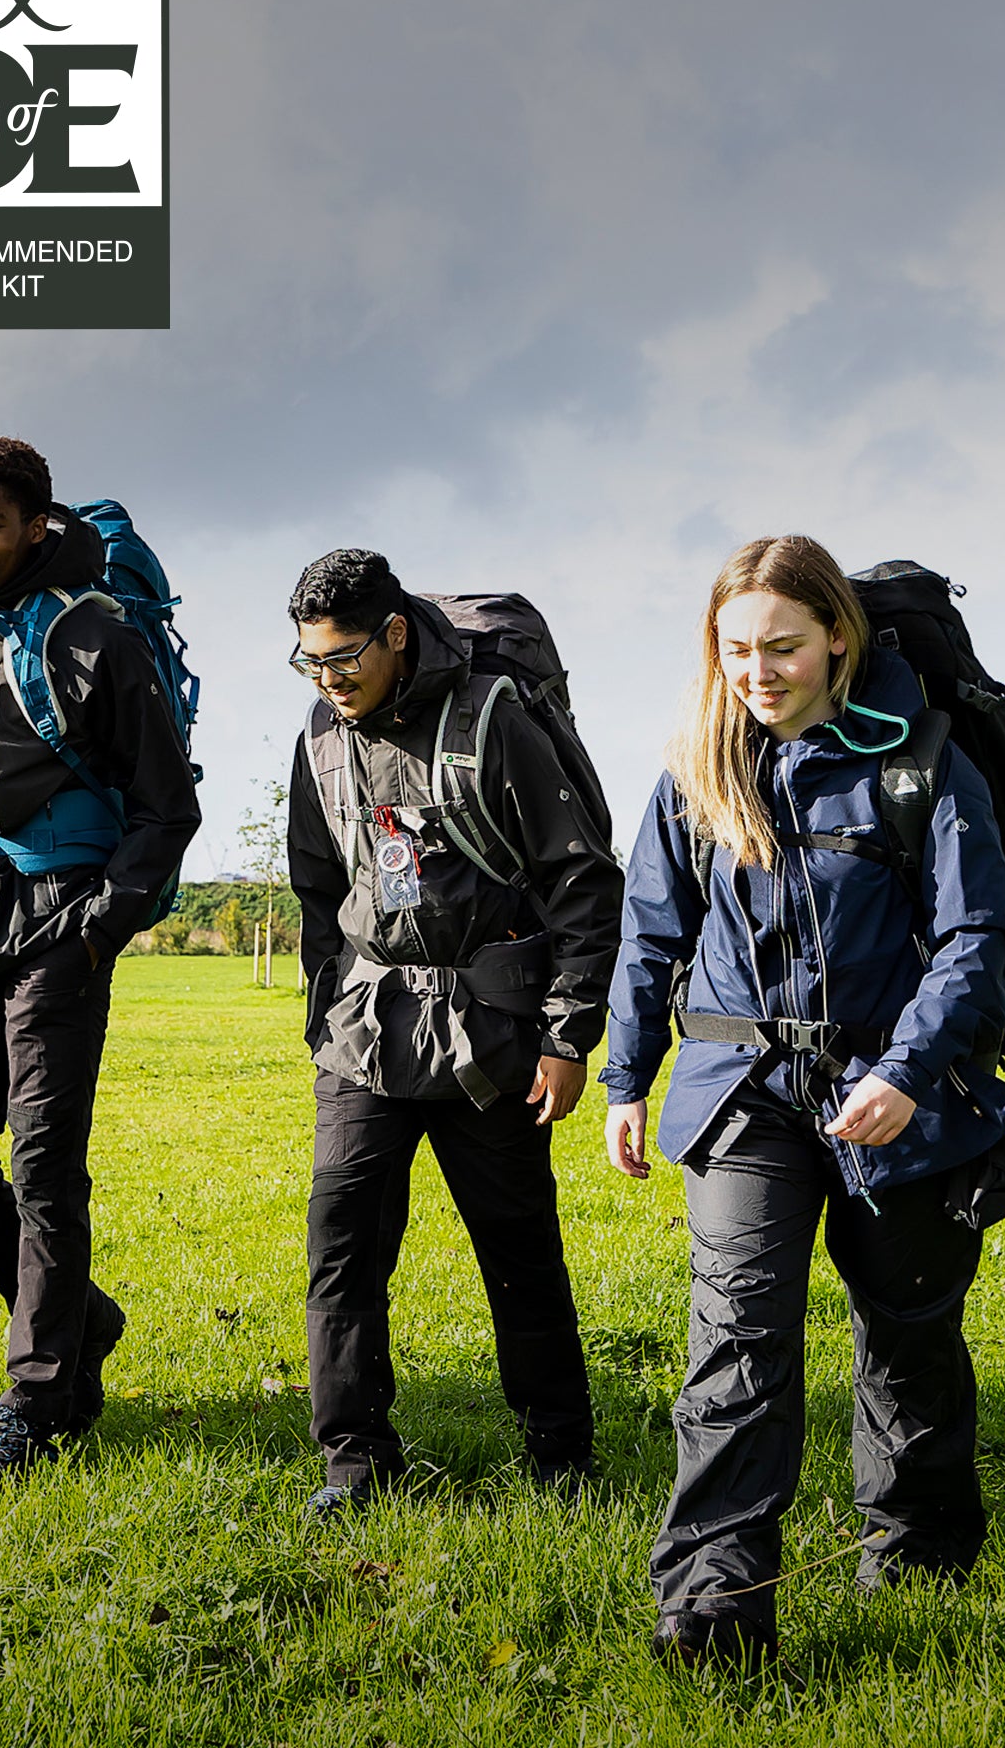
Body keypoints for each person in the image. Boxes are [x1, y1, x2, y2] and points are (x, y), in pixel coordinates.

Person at [599, 534, 1005, 1668]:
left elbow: (974, 935)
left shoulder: (920, 761)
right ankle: (711, 1605)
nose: (756, 669)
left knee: (908, 1331)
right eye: (734, 648)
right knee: (734, 1340)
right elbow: (648, 931)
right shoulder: (695, 767)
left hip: (896, 1095)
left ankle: (920, 1546)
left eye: (781, 645)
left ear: (838, 636)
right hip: (741, 1093)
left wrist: (906, 1070)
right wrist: (627, 1077)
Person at [0, 436, 203, 1482]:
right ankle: (81, 1318)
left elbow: (167, 804)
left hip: (62, 915)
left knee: (44, 1168)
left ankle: (32, 1398)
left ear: (31, 526)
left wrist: (97, 923)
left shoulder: (92, 636)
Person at [281, 550, 621, 1517]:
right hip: (366, 1036)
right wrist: (327, 1009)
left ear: (395, 634)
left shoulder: (493, 719)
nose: (330, 679)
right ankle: (354, 1461)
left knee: (517, 1247)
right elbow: (317, 885)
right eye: (310, 663)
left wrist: (565, 1037)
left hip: (496, 1040)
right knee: (341, 1246)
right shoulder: (319, 734)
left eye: (344, 656)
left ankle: (560, 1455)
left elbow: (583, 883)